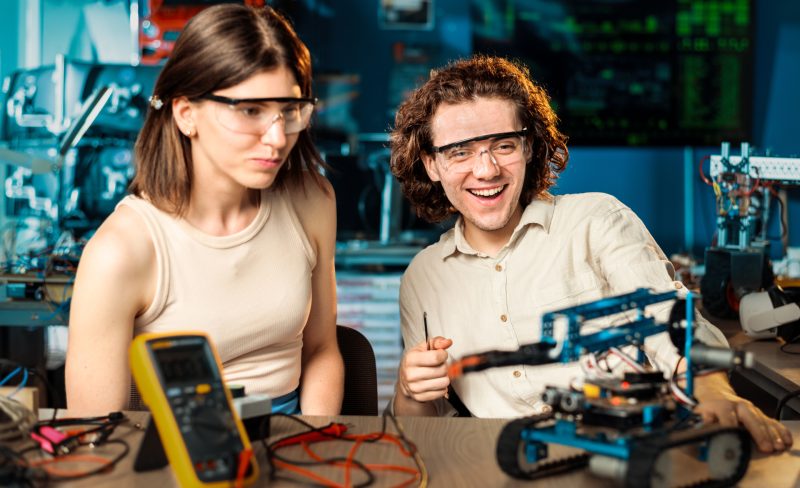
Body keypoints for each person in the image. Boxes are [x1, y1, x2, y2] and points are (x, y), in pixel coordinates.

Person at [389, 54, 792, 453]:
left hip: (633, 454)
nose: (487, 169)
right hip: (505, 465)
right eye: (460, 152)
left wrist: (709, 386)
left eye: (504, 144)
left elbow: (670, 319)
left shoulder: (596, 221)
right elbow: (422, 431)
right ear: (431, 165)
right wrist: (411, 392)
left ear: (529, 148)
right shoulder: (422, 278)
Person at [65, 4, 343, 416]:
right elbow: (99, 432)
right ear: (186, 114)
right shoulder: (120, 251)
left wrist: (316, 445)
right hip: (175, 451)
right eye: (250, 111)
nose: (276, 137)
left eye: (288, 111)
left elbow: (322, 349)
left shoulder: (312, 200)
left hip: (293, 439)